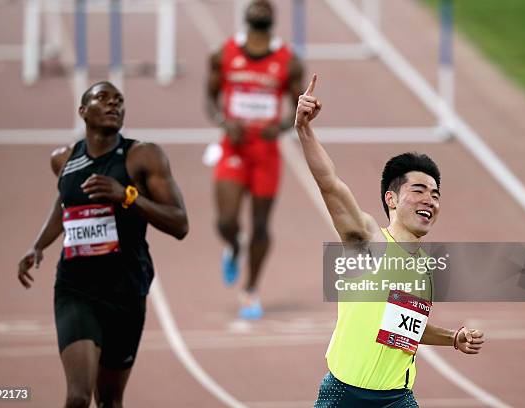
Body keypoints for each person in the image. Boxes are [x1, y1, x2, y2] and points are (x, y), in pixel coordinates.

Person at [295, 75, 485, 408]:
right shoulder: (368, 241)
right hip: (344, 396)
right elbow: (330, 184)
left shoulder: (424, 267)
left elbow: (400, 328)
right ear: (392, 199)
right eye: (419, 190)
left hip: (397, 399)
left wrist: (454, 339)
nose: (430, 200)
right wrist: (304, 130)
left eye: (436, 194)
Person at [17, 81, 188, 408]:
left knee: (109, 400)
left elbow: (180, 223)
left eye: (119, 100)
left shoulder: (144, 156)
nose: (113, 104)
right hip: (76, 288)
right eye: (103, 98)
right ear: (83, 111)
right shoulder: (64, 159)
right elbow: (65, 201)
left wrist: (127, 196)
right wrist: (38, 245)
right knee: (78, 397)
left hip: (126, 289)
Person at [206, 0, 304, 319]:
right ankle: (234, 247)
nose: (260, 8)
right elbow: (210, 99)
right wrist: (223, 121)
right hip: (233, 147)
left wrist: (281, 125)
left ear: (272, 18)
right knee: (225, 221)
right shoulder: (223, 54)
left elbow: (298, 108)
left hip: (265, 152)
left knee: (261, 224)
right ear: (246, 16)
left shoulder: (288, 61)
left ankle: (250, 290)